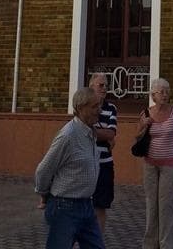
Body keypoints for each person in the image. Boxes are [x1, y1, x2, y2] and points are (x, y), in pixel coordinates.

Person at [35, 86, 105, 249]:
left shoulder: (90, 132)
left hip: (86, 206)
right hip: (65, 207)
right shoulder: (68, 135)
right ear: (81, 108)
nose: (99, 110)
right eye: (94, 106)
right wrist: (44, 193)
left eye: (99, 105)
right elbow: (44, 169)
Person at [135, 78, 173, 249]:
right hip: (150, 163)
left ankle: (167, 244)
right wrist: (142, 125)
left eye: (167, 91)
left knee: (166, 204)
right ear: (153, 95)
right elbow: (137, 138)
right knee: (152, 203)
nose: (165, 95)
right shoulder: (146, 113)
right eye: (161, 92)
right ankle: (150, 244)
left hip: (169, 164)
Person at [89, 72, 117, 234]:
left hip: (105, 165)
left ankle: (96, 243)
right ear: (91, 87)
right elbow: (80, 129)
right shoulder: (83, 106)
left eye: (107, 85)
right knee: (82, 206)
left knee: (101, 207)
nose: (105, 88)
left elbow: (111, 134)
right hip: (86, 165)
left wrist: (91, 130)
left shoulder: (111, 108)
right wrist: (102, 133)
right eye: (101, 85)